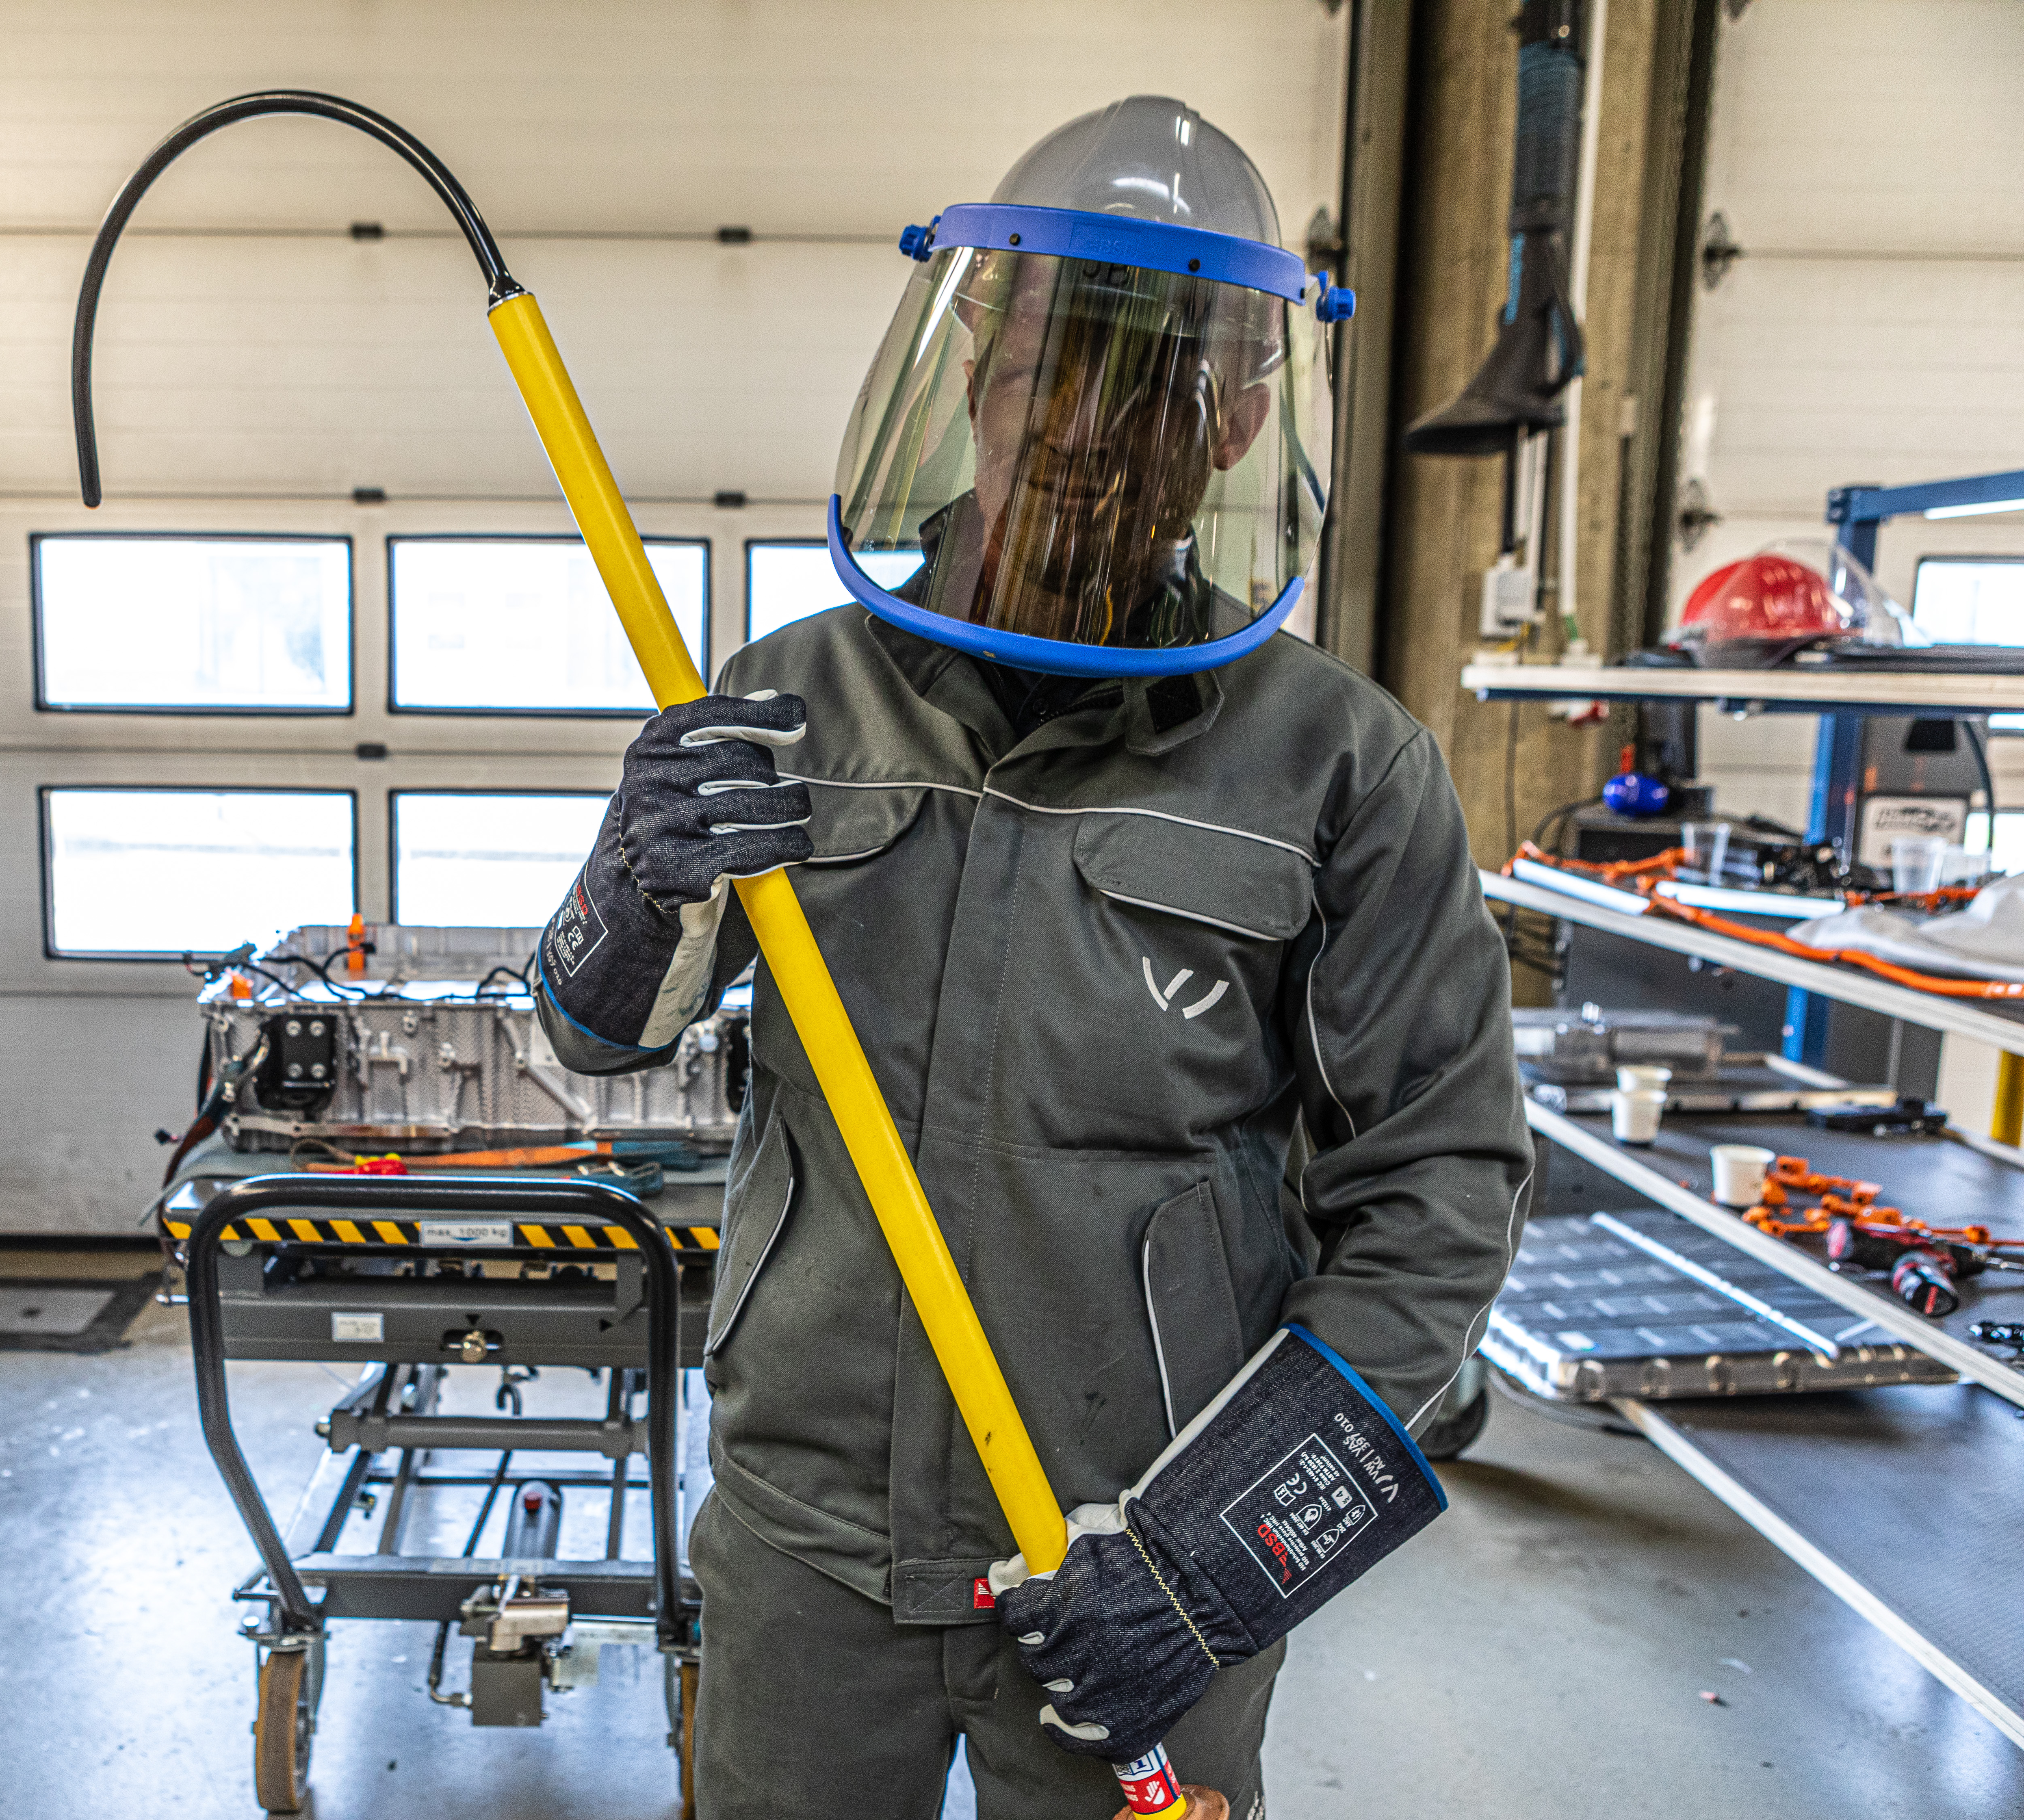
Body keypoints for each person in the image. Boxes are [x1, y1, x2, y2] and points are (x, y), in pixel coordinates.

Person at [534, 99, 1531, 1819]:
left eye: (1151, 386)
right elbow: (594, 1039)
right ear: (970, 370)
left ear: (1232, 423)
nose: (1084, 428)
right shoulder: (786, 701)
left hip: (1133, 1557)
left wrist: (1214, 1565)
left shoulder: (1343, 768)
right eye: (1048, 367)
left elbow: (1440, 1195)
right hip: (808, 1544)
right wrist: (627, 892)